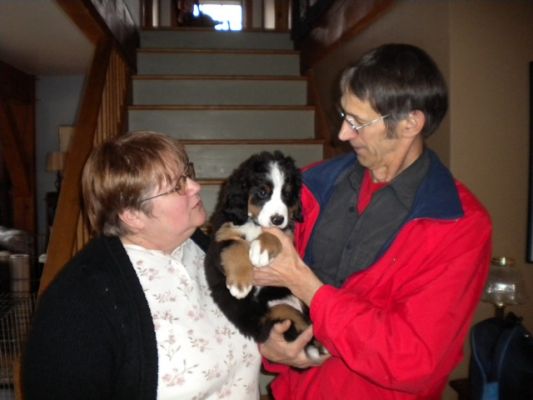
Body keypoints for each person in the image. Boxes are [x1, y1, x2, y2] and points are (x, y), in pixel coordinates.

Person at [253, 43, 492, 399]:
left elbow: (413, 360)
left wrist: (307, 287)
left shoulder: (460, 227)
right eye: (343, 115)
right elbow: (258, 286)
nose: (343, 135)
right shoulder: (311, 186)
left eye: (358, 123)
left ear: (411, 123)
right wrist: (266, 342)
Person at [22, 132, 261, 399]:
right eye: (177, 185)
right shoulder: (80, 300)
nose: (195, 186)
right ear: (133, 215)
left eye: (187, 173)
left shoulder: (203, 248)